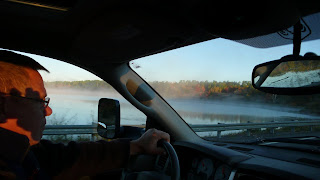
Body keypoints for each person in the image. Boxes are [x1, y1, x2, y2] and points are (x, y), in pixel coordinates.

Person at [0, 50, 170, 179]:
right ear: (4, 104)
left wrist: (137, 146)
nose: (48, 110)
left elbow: (68, 157)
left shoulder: (24, 152)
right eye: (40, 101)